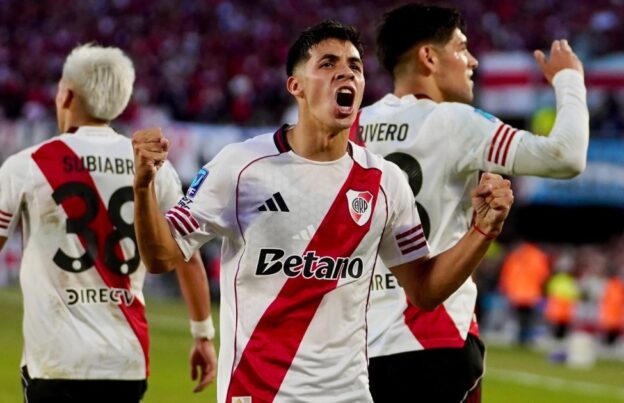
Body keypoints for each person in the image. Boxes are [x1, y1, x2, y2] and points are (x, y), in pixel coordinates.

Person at [131, 20, 514, 403]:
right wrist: (144, 187)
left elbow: (425, 291)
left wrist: (482, 232)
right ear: (295, 86)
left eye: (355, 66)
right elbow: (162, 256)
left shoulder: (386, 181)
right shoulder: (241, 166)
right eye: (328, 63)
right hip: (259, 393)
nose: (346, 71)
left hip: (348, 395)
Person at [356, 3, 589, 401]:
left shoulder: (351, 129)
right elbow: (565, 156)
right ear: (429, 57)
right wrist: (569, 80)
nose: (473, 61)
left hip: (356, 348)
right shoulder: (454, 121)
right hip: (435, 339)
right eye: (462, 48)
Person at [0, 44, 216, 402]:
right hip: (126, 359)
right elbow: (187, 255)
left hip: (56, 361)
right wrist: (203, 335)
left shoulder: (29, 165)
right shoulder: (154, 168)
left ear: (66, 95)